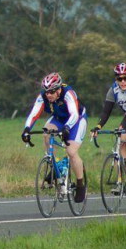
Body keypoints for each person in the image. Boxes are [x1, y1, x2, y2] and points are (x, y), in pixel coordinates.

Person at [21, 72, 88, 203]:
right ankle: (54, 166)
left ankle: (80, 185)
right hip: (59, 118)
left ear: (58, 90)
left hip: (77, 119)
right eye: (46, 92)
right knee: (46, 134)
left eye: (51, 92)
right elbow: (33, 114)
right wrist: (27, 129)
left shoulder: (68, 93)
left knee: (71, 152)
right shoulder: (43, 96)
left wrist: (67, 128)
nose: (48, 95)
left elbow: (74, 114)